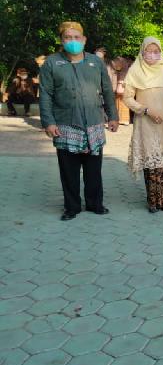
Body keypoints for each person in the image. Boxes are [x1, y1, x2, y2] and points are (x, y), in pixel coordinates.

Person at [39, 21, 118, 221]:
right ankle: (71, 207)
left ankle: (95, 204)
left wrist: (113, 116)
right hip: (65, 124)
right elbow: (46, 94)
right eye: (68, 37)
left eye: (76, 37)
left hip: (93, 123)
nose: (72, 41)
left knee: (94, 169)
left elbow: (107, 91)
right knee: (69, 170)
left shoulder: (95, 62)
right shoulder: (52, 63)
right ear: (61, 40)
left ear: (84, 39)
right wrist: (48, 122)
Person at [123, 37, 163, 213]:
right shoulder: (135, 70)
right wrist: (145, 110)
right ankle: (153, 201)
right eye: (149, 51)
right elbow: (127, 98)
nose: (152, 55)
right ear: (143, 51)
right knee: (151, 161)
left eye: (156, 51)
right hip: (146, 122)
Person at [108, 56, 131, 125]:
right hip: (122, 85)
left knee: (122, 103)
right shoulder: (124, 67)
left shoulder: (123, 67)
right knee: (120, 102)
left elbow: (117, 68)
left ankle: (123, 119)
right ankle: (122, 119)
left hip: (121, 85)